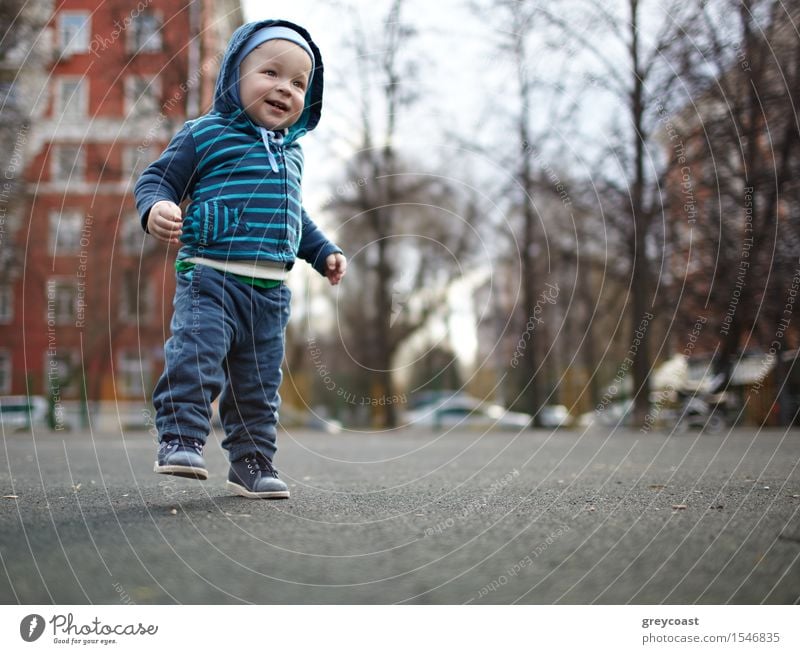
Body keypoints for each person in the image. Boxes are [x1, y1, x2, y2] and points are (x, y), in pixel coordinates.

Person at [134, 19, 346, 499]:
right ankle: (181, 438)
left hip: (269, 293)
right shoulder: (204, 134)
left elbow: (295, 217)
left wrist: (323, 252)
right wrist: (157, 207)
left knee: (258, 383)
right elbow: (157, 179)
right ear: (234, 75)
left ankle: (251, 462)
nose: (284, 89)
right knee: (196, 356)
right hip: (210, 277)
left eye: (298, 83)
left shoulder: (293, 155)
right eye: (271, 73)